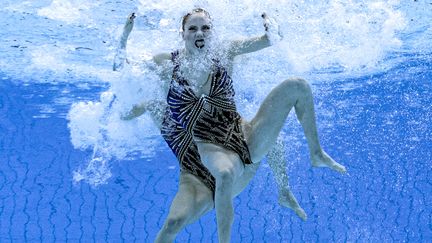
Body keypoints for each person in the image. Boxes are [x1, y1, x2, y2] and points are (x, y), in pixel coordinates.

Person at [116, 9, 346, 243]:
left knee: (295, 90)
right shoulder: (166, 68)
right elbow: (126, 67)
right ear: (182, 34)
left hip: (240, 142)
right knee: (174, 223)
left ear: (212, 32)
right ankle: (282, 191)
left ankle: (309, 161)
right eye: (193, 28)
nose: (200, 33)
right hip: (198, 171)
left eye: (205, 28)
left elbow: (269, 40)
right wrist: (124, 38)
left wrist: (270, 26)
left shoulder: (225, 50)